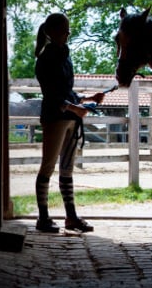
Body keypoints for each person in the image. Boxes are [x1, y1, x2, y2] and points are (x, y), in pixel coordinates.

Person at [33, 12, 105, 233]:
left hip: (69, 118)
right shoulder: (45, 59)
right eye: (64, 30)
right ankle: (43, 217)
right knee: (48, 166)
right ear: (53, 32)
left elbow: (65, 90)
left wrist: (87, 99)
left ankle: (71, 216)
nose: (68, 34)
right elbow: (52, 94)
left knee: (66, 168)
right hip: (55, 118)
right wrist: (74, 107)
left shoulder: (64, 56)